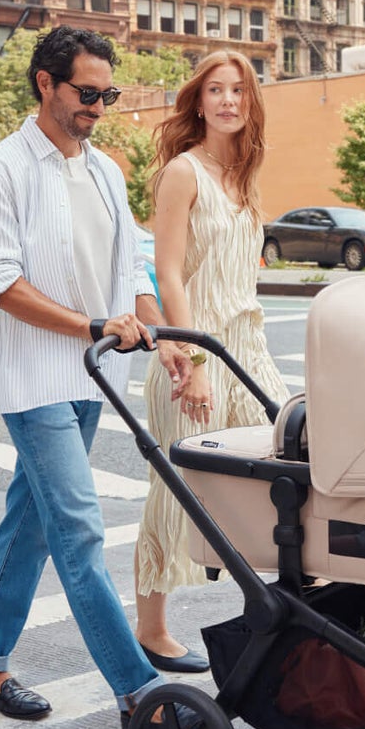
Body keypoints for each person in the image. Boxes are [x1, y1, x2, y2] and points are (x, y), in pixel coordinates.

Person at [0, 26, 190, 729]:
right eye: (87, 93)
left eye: (107, 94)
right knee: (78, 529)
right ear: (46, 84)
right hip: (33, 377)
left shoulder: (105, 172)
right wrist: (91, 327)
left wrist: (162, 334)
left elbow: (129, 268)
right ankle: (139, 692)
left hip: (91, 378)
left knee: (30, 521)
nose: (97, 106)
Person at [136, 51, 290, 673]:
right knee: (177, 489)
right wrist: (193, 355)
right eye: (216, 91)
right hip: (198, 351)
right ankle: (151, 629)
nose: (229, 100)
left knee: (282, 457)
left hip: (248, 346)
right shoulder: (184, 172)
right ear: (197, 102)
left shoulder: (245, 176)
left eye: (239, 91)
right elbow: (169, 271)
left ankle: (284, 606)